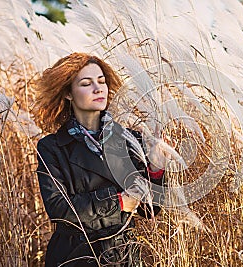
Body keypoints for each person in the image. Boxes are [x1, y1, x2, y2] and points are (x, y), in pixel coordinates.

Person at [34, 52, 165, 266]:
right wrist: (118, 202)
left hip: (123, 256)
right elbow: (59, 209)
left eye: (102, 81)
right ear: (68, 93)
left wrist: (156, 169)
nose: (98, 88)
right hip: (75, 256)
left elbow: (149, 210)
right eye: (86, 83)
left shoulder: (130, 139)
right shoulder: (52, 148)